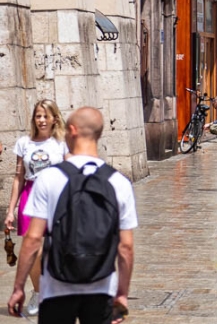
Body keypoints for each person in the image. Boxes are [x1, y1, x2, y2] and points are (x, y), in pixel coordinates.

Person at [8, 107, 137, 323]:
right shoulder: (119, 183)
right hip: (102, 285)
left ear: (72, 130)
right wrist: (122, 294)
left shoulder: (49, 178)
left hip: (56, 287)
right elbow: (126, 247)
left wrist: (19, 287)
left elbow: (32, 239)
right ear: (99, 133)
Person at [5, 100, 66, 317]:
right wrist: (11, 209)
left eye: (45, 116)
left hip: (56, 197)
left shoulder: (62, 144)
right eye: (38, 116)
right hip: (31, 196)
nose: (41, 120)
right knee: (32, 250)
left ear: (54, 119)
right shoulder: (24, 143)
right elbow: (18, 177)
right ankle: (39, 292)